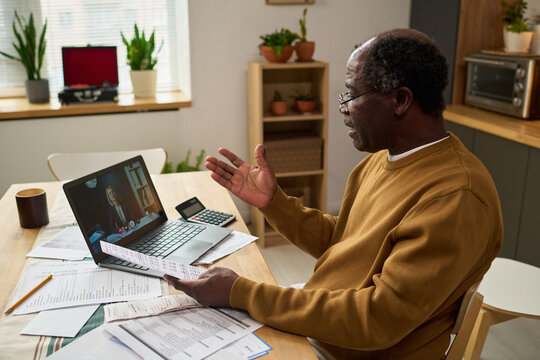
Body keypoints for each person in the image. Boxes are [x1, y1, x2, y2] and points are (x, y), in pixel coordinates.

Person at [164, 29, 503, 359]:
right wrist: (274, 203)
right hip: (321, 332)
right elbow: (344, 244)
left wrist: (242, 292)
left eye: (351, 95)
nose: (343, 108)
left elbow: (378, 320)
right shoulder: (378, 162)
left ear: (400, 100)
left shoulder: (457, 197)